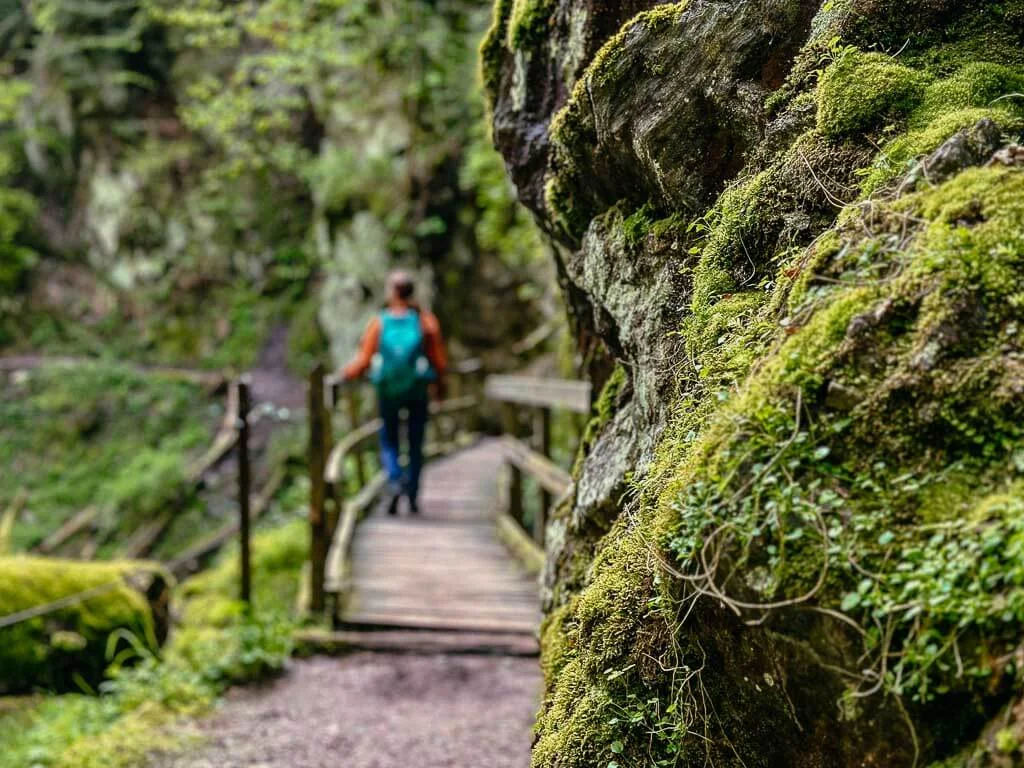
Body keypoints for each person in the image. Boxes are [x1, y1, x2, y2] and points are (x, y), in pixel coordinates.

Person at [340, 271, 447, 515]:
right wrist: (440, 387)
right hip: (417, 390)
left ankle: (395, 479)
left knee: (389, 440)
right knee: (415, 441)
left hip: (388, 390)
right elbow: (439, 361)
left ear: (391, 292)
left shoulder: (380, 322)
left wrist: (346, 374)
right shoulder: (424, 321)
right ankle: (412, 494)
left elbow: (364, 360)